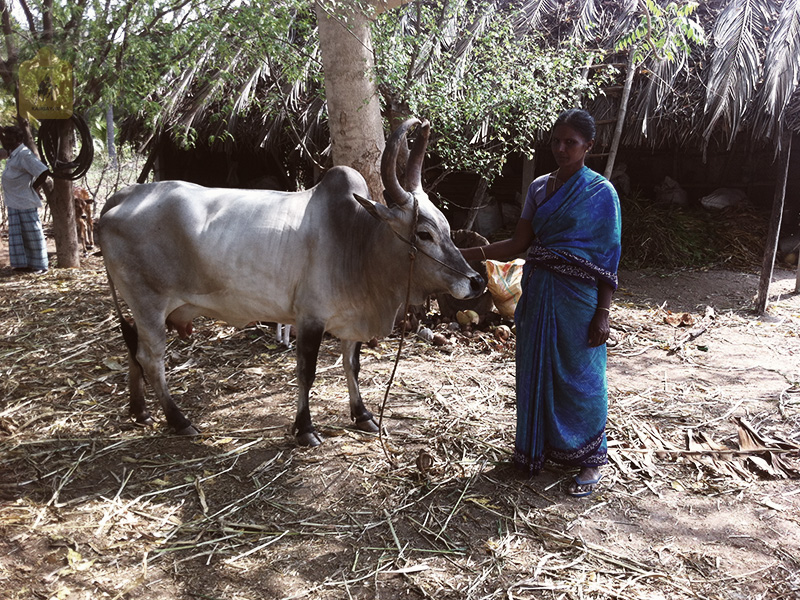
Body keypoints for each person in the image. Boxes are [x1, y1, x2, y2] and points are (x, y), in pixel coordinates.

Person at [462, 109, 621, 497]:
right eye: (556, 141)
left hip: (580, 301)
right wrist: (463, 253)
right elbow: (518, 245)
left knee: (581, 378)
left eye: (571, 142)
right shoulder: (538, 188)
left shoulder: (602, 193)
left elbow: (608, 260)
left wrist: (603, 312)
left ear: (589, 146)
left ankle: (590, 459)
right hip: (537, 293)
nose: (561, 149)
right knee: (537, 371)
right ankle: (540, 449)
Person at [1, 124, 51, 274]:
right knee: (18, 236)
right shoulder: (14, 152)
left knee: (32, 235)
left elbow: (43, 171)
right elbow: (4, 143)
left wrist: (35, 187)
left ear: (18, 139)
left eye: (10, 138)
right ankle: (23, 264)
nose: (7, 141)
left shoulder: (24, 154)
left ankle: (40, 265)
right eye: (6, 139)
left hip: (25, 201)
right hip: (14, 202)